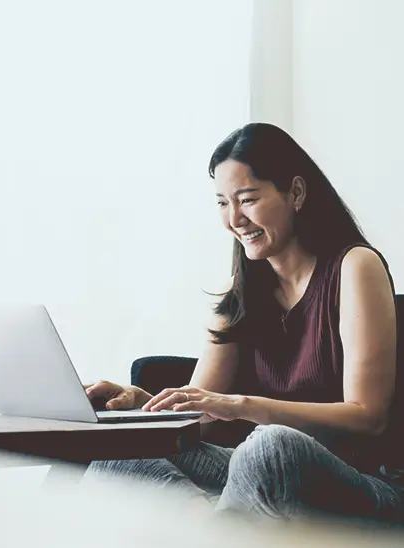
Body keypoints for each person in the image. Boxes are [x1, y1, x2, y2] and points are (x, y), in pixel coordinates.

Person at [85, 122, 404, 523]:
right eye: (222, 203)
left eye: (247, 199)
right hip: (261, 476)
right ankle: (217, 544)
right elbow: (196, 417)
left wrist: (242, 407)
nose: (235, 219)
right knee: (122, 449)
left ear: (297, 194)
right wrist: (137, 403)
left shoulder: (355, 266)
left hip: (357, 480)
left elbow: (367, 416)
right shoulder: (241, 290)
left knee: (270, 448)